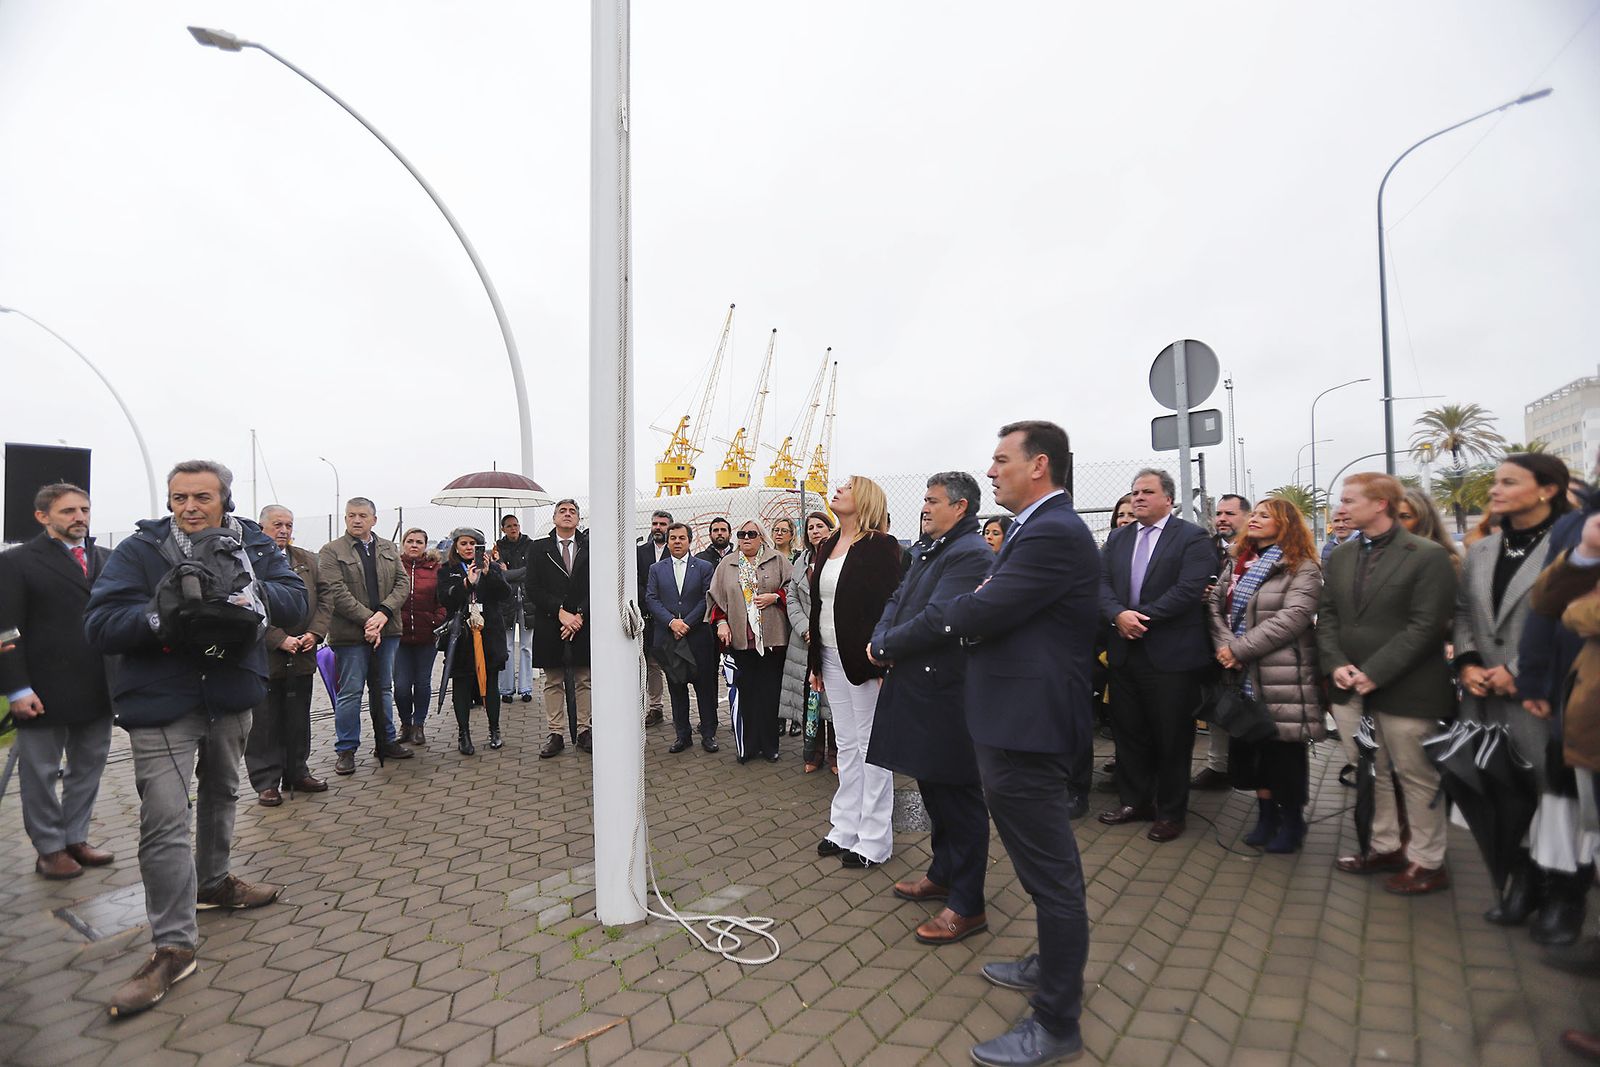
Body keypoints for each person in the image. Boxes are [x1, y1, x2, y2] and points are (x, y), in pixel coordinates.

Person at [85, 459, 305, 1018]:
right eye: (179, 497)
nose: (189, 507)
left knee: (223, 792)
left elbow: (296, 600)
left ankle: (213, 883)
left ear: (225, 500)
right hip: (162, 703)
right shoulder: (140, 550)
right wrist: (161, 615)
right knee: (163, 818)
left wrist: (243, 590)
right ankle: (173, 947)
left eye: (202, 497)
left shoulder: (253, 544)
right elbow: (100, 624)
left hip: (230, 694)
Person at [939, 421, 1099, 1067]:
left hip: (1028, 727)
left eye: (1002, 459)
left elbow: (983, 609)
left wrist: (961, 611)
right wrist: (980, 605)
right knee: (1042, 868)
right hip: (1013, 719)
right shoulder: (1036, 528)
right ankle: (1051, 963)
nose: (991, 470)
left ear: (1039, 465)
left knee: (1053, 876)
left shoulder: (1053, 530)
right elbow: (995, 607)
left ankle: (1057, 1019)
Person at [867, 472, 994, 945]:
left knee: (959, 795)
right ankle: (943, 873)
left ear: (959, 508)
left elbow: (941, 617)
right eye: (923, 499)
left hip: (946, 692)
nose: (923, 507)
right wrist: (881, 637)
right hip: (918, 685)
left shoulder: (970, 553)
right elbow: (897, 599)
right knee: (932, 785)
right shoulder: (929, 549)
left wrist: (887, 646)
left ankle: (968, 903)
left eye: (932, 500)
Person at [1323, 473, 1458, 895]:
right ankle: (1384, 847)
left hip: (1408, 688)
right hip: (1349, 687)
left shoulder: (1427, 555)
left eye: (1349, 500)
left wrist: (1376, 671)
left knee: (1415, 775)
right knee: (1371, 771)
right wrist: (1336, 662)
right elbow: (1328, 615)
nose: (1341, 508)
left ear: (1380, 503)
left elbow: (1426, 626)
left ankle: (1428, 862)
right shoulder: (1341, 555)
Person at [1454, 454, 1572, 930]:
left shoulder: (1572, 546)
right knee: (1504, 790)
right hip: (1485, 694)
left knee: (1554, 794)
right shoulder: (1484, 548)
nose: (1494, 491)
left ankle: (1563, 894)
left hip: (1543, 694)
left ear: (1547, 490)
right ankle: (1522, 881)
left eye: (1508, 482)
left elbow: (1574, 621)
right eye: (1494, 482)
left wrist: (1520, 670)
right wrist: (1467, 661)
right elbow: (1464, 611)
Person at [0, 482, 116, 879]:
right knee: (40, 773)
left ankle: (75, 838)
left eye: (84, 509)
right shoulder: (17, 561)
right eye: (68, 511)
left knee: (89, 767)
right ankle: (49, 848)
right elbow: (5, 629)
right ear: (42, 516)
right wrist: (17, 689)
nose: (79, 517)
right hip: (42, 689)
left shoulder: (107, 558)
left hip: (99, 686)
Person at [1097, 469, 1216, 842]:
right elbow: (1100, 583)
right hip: (1124, 651)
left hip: (1170, 655)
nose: (1138, 498)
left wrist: (1138, 618)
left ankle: (1170, 812)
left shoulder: (1192, 538)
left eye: (1146, 492)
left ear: (1168, 498)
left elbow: (1188, 589)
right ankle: (1135, 802)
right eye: (1134, 492)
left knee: (1172, 737)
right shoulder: (1118, 538)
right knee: (1129, 732)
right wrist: (1118, 615)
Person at [1207, 498, 1325, 852]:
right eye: (1254, 514)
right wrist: (1226, 646)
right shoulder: (1238, 562)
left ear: (1285, 524)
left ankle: (1292, 822)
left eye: (1265, 515)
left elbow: (1294, 617)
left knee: (1284, 753)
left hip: (1281, 672)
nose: (1255, 520)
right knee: (1255, 749)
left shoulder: (1301, 567)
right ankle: (1266, 817)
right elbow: (1215, 606)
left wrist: (1239, 650)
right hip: (1240, 673)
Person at [810, 476, 903, 870]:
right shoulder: (828, 543)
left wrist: (884, 657)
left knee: (871, 748)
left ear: (864, 499)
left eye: (847, 487)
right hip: (830, 656)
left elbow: (891, 605)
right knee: (847, 745)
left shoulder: (880, 546)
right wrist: (815, 663)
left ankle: (875, 839)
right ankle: (845, 826)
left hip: (865, 661)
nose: (838, 489)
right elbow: (819, 607)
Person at [315, 497, 414, 775]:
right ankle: (346, 749)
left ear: (374, 519)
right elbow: (335, 591)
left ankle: (386, 742)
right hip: (350, 635)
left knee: (383, 689)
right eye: (351, 515)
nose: (356, 520)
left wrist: (383, 613)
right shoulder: (331, 551)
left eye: (362, 515)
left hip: (388, 630)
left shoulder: (388, 548)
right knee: (351, 691)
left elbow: (402, 583)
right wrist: (369, 620)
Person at [245, 506, 327, 804]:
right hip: (265, 657)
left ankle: (297, 771)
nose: (284, 530)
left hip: (302, 653)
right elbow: (245, 605)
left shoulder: (307, 559)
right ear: (261, 528)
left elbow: (326, 597)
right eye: (277, 524)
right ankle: (266, 781)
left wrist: (315, 633)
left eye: (289, 525)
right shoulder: (247, 561)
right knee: (264, 723)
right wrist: (278, 639)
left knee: (298, 717)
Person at [708, 520, 792, 763]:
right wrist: (721, 623)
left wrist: (776, 597)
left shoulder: (777, 560)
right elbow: (716, 597)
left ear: (761, 537)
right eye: (742, 534)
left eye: (751, 534)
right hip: (741, 640)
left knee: (769, 693)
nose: (746, 538)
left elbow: (794, 589)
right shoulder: (728, 563)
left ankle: (770, 746)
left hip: (772, 640)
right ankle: (749, 745)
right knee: (746, 693)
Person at [645, 522, 720, 753]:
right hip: (669, 638)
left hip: (697, 636)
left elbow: (707, 597)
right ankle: (682, 735)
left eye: (681, 538)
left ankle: (708, 734)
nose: (677, 542)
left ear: (689, 540)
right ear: (667, 541)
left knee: (705, 687)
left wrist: (686, 623)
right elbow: (651, 598)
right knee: (676, 688)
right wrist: (672, 622)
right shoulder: (656, 569)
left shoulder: (704, 567)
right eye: (673, 538)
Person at [1193, 493, 1250, 792]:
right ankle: (1218, 767)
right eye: (1219, 513)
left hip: (1248, 641)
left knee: (1248, 707)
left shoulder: (1257, 550)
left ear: (1247, 517)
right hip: (1212, 638)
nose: (1222, 519)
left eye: (1230, 513)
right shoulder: (1207, 547)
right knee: (1217, 703)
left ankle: (1246, 769)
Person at [438, 528, 511, 754]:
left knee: (491, 682)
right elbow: (445, 598)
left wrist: (489, 574)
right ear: (456, 546)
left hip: (489, 633)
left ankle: (495, 730)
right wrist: (466, 584)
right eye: (464, 543)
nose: (469, 548)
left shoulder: (492, 568)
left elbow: (505, 594)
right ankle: (464, 734)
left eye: (474, 544)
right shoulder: (447, 570)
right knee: (461, 683)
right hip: (462, 635)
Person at [528, 499, 591, 757]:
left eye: (572, 511)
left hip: (583, 623)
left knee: (584, 679)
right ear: (554, 518)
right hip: (550, 622)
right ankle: (556, 733)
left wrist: (579, 615)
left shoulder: (590, 546)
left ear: (578, 519)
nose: (567, 514)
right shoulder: (538, 548)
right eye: (562, 511)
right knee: (553, 680)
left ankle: (585, 730)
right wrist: (560, 613)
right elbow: (532, 588)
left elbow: (598, 583)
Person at [783, 510, 837, 773]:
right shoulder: (801, 561)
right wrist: (806, 629)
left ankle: (836, 756)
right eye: (811, 527)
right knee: (809, 698)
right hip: (803, 641)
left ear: (830, 529)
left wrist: (821, 630)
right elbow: (791, 598)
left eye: (820, 526)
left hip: (831, 638)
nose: (815, 531)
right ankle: (813, 754)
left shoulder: (839, 559)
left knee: (833, 700)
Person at [394, 527, 445, 745]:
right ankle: (405, 723)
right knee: (401, 685)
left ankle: (418, 725)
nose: (414, 545)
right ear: (403, 543)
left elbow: (442, 600)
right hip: (399, 637)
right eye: (410, 541)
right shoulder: (393, 566)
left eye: (419, 542)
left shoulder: (435, 569)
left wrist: (436, 620)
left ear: (425, 545)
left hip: (427, 636)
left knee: (422, 683)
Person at [496, 514, 537, 704]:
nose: (513, 529)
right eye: (509, 526)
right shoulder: (498, 548)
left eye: (516, 525)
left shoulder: (530, 545)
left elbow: (531, 571)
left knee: (526, 647)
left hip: (528, 601)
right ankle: (506, 689)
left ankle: (526, 687)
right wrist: (511, 573)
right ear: (503, 529)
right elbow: (499, 575)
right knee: (507, 646)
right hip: (506, 602)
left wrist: (509, 573)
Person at [636, 510, 672, 727]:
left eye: (662, 524)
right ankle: (655, 707)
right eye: (655, 523)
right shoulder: (640, 552)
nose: (658, 527)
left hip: (670, 615)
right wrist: (649, 599)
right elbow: (636, 580)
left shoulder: (677, 551)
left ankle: (679, 709)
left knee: (672, 663)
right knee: (651, 664)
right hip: (647, 616)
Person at [1398, 486, 1461, 569]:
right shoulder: (1386, 555)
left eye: (1405, 517)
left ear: (1424, 521)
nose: (1396, 523)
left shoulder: (1439, 559)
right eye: (1391, 516)